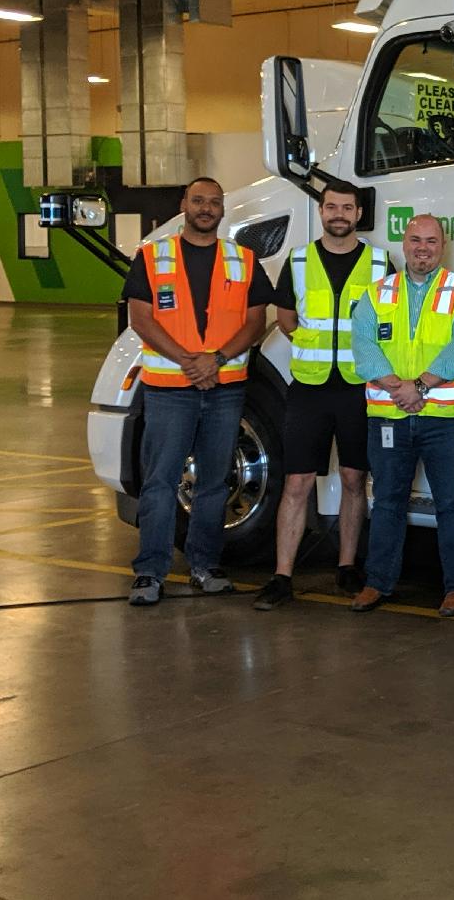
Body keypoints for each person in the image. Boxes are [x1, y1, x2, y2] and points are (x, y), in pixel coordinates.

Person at [122, 176, 275, 605]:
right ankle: (150, 573)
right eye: (198, 201)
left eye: (214, 202)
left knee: (213, 482)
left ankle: (205, 566)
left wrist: (217, 359)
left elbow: (255, 321)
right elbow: (141, 318)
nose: (206, 208)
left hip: (224, 387)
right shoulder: (152, 256)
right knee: (160, 481)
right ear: (183, 205)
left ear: (223, 210)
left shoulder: (243, 259)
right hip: (170, 388)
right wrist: (190, 359)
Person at [254, 179, 390, 610]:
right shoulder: (297, 261)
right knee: (297, 482)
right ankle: (282, 575)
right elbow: (287, 320)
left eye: (347, 208)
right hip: (310, 388)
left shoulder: (380, 263)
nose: (338, 215)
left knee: (354, 478)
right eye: (331, 207)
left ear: (358, 215)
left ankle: (348, 566)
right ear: (322, 212)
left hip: (357, 387)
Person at [348, 214, 454, 617]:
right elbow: (364, 345)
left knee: (453, 503)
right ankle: (378, 582)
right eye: (414, 240)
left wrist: (419, 386)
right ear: (402, 244)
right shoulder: (377, 293)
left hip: (445, 418)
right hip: (389, 416)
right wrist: (399, 386)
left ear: (444, 246)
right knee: (387, 501)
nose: (422, 248)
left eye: (430, 241)